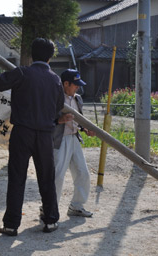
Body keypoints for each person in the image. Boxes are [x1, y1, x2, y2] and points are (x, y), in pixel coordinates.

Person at [0, 38, 64, 236]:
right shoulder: (55, 79)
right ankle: (50, 221)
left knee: (17, 178)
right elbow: (58, 106)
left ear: (32, 55)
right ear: (50, 57)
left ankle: (11, 225)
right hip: (44, 135)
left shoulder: (22, 72)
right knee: (47, 178)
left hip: (22, 132)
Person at [52, 69, 96, 218]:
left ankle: (76, 206)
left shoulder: (78, 99)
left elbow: (79, 120)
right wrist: (59, 120)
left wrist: (85, 129)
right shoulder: (55, 98)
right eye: (75, 85)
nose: (77, 87)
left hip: (74, 139)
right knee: (57, 176)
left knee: (83, 173)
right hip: (59, 140)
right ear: (66, 83)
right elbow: (46, 119)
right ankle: (50, 208)